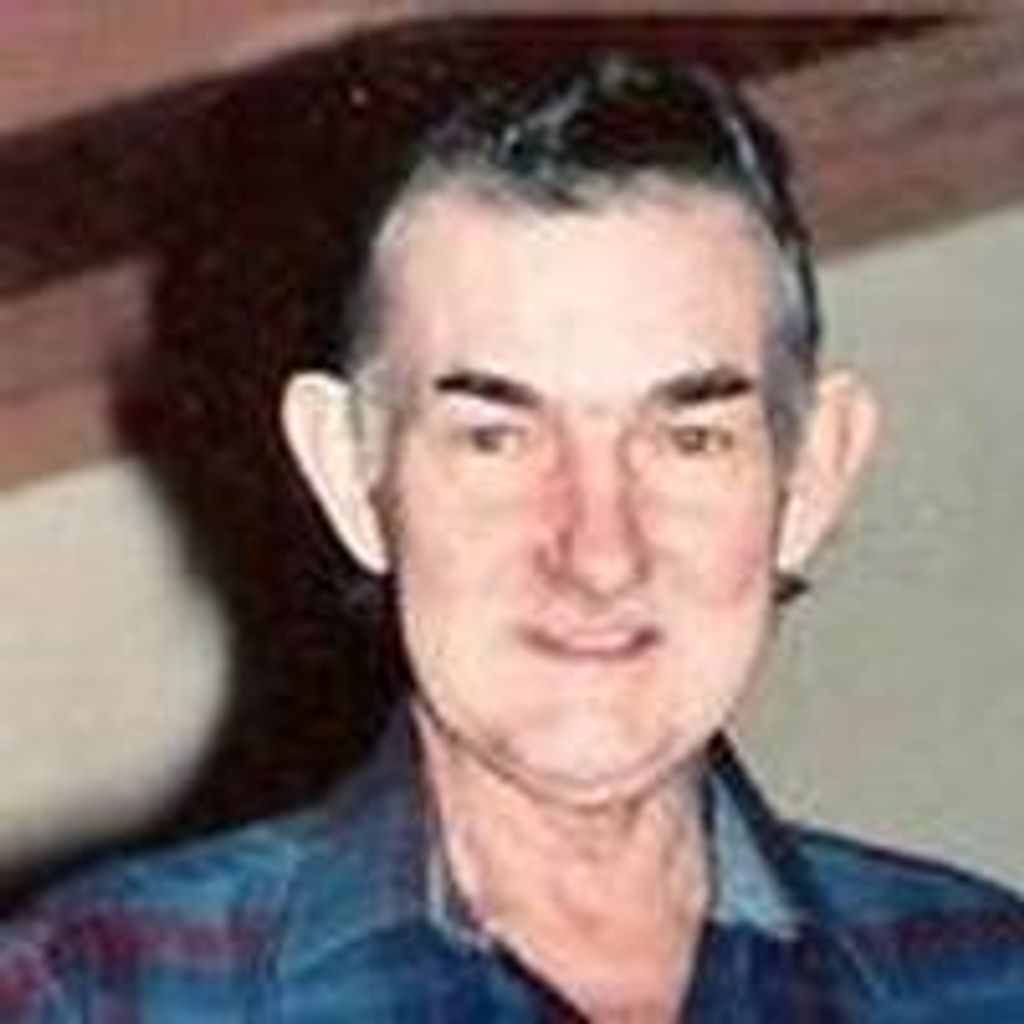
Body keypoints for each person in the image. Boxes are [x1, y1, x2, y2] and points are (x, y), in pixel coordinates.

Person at [1, 36, 1022, 1023]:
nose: (598, 555)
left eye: (688, 439)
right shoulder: (98, 996)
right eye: (495, 439)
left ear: (811, 476)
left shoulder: (989, 978)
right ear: (348, 472)